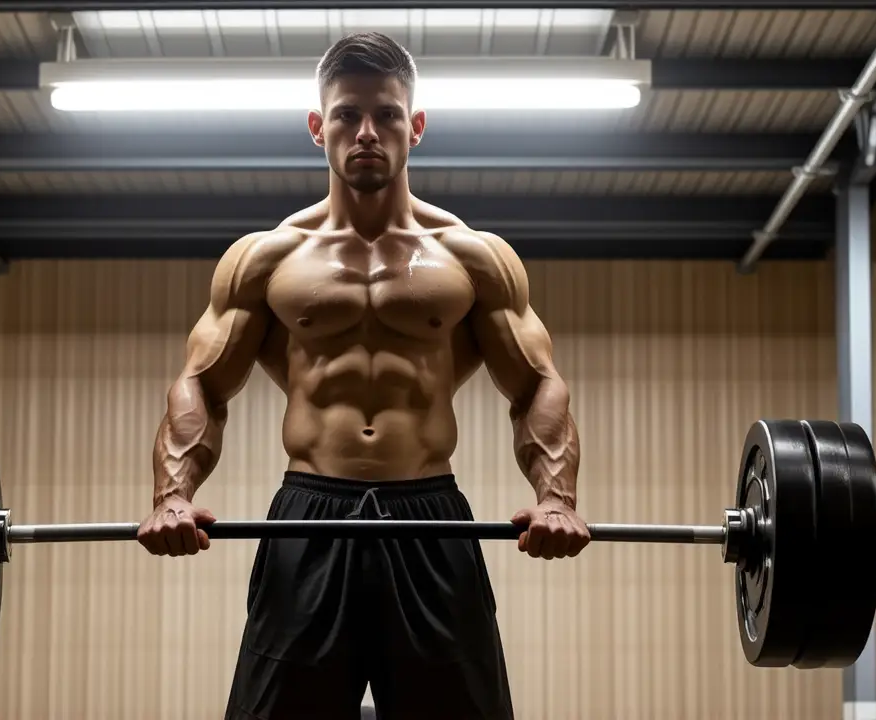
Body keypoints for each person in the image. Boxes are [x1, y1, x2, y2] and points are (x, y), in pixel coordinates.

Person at [137, 31, 591, 720]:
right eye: (347, 114)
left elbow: (537, 385)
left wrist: (556, 498)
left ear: (417, 126)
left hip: (430, 516)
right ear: (318, 127)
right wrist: (173, 496)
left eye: (386, 114)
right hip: (309, 514)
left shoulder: (473, 257)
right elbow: (201, 382)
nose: (367, 132)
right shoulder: (267, 258)